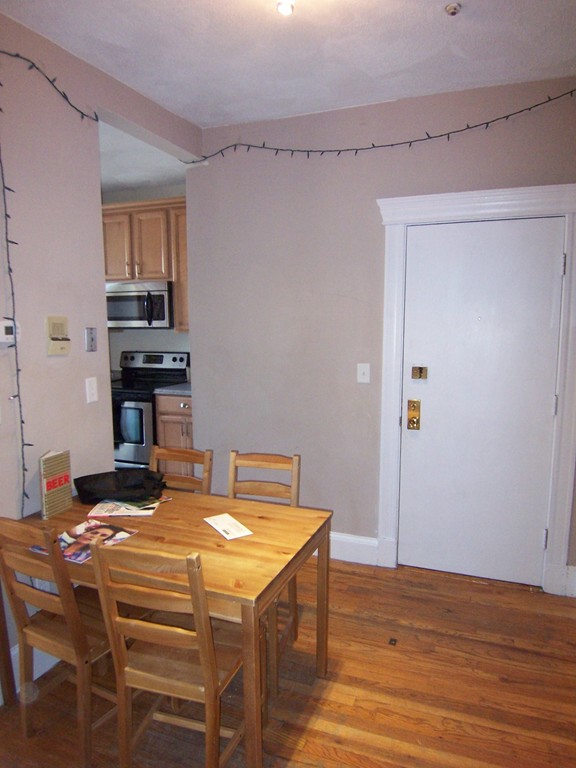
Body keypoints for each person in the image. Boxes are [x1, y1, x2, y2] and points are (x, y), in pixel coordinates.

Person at [60, 522, 128, 563]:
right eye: (94, 533)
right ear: (85, 532)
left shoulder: (90, 554)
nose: (94, 536)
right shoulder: (61, 542)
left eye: (103, 536)